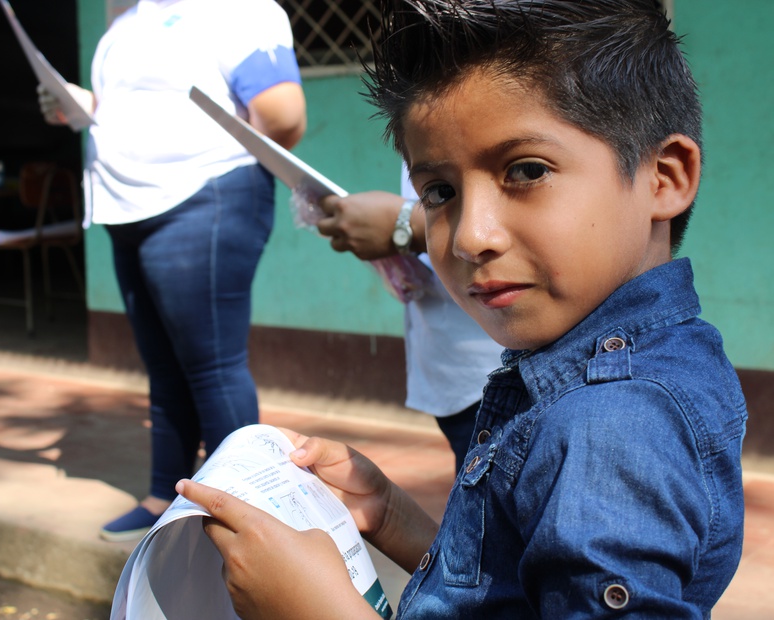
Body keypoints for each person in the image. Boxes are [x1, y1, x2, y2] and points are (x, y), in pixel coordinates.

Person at [177, 0, 748, 616]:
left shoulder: (610, 422)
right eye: (440, 193)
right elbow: (523, 592)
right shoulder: (634, 359)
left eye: (525, 170)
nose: (470, 235)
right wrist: (392, 517)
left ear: (663, 178)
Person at [37, 0, 306, 542]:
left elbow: (281, 115)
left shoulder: (236, 9)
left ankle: (246, 515)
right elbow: (136, 101)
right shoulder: (127, 20)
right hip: (126, 208)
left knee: (211, 365)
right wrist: (81, 104)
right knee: (164, 367)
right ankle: (167, 494)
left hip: (202, 199)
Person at [317, 166, 505, 473]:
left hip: (493, 365)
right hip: (456, 358)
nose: (470, 241)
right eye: (436, 193)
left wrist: (403, 223)